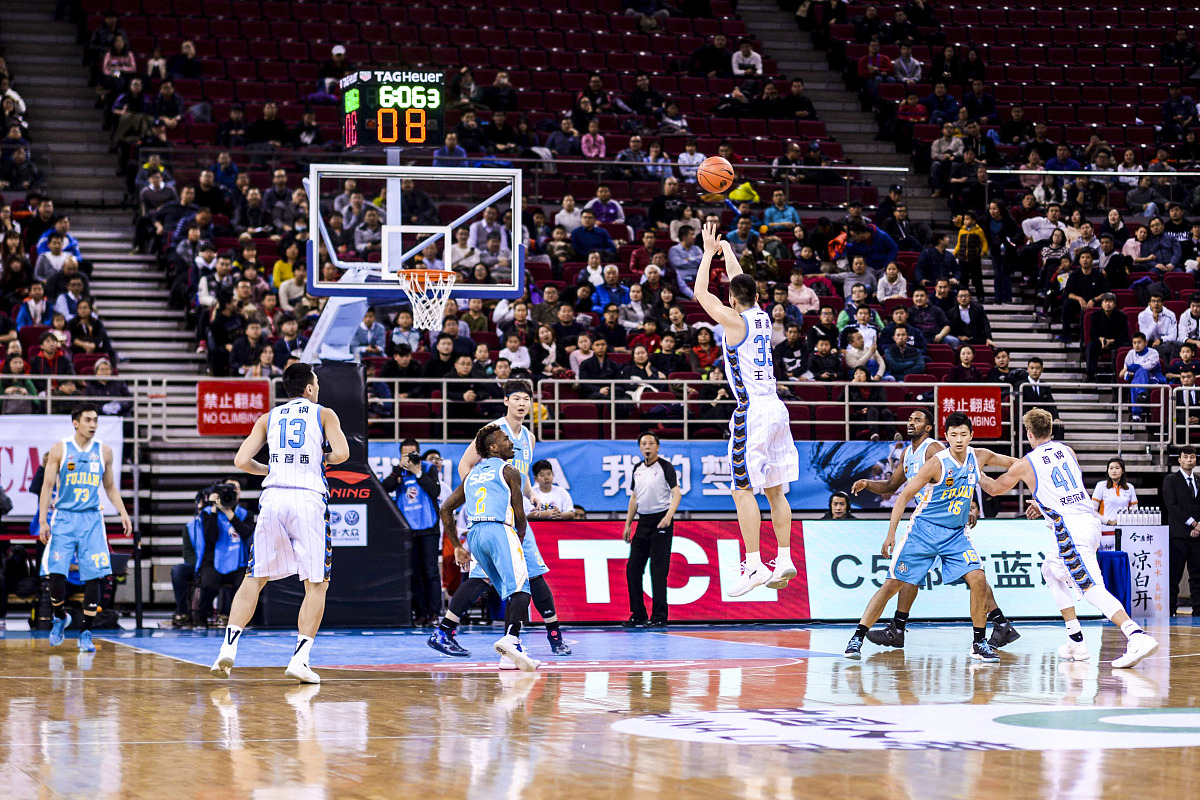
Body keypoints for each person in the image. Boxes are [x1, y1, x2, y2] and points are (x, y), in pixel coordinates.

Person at [980, 409, 1160, 668]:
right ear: (1051, 430)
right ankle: (1075, 640)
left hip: (1071, 530)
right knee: (1050, 571)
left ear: (1028, 433)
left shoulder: (1026, 463)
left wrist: (974, 472)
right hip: (1088, 521)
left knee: (1091, 588)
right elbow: (1066, 489)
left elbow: (994, 489)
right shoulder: (1067, 450)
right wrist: (1043, 506)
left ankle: (1135, 635)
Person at [209, 363, 351, 684]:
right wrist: (319, 458)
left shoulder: (268, 417)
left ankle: (227, 646)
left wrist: (271, 469)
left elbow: (241, 461)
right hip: (307, 498)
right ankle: (300, 659)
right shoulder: (323, 413)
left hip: (272, 498)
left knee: (254, 576)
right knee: (316, 584)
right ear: (310, 389)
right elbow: (342, 453)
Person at [843, 413, 1019, 662]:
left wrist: (1038, 465)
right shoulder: (936, 462)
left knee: (978, 577)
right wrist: (891, 533)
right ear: (946, 437)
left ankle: (979, 642)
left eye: (963, 434)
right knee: (893, 584)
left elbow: (1018, 464)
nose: (959, 440)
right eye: (954, 435)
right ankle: (857, 637)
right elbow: (902, 496)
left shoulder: (978, 456)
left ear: (971, 436)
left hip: (956, 534)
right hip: (924, 530)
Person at [429, 381, 572, 663]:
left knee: (494, 576)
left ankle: (450, 632)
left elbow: (522, 475)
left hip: (495, 518)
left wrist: (530, 496)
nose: (521, 403)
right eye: (516, 398)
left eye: (526, 399)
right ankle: (535, 638)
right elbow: (464, 466)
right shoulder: (493, 433)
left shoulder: (528, 438)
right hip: (499, 519)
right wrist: (485, 494)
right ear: (505, 401)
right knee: (529, 577)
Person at [694, 221, 799, 594]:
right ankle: (784, 559)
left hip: (752, 410)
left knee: (742, 490)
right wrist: (729, 250)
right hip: (776, 407)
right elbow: (741, 282)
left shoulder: (734, 321)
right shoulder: (762, 314)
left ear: (733, 301)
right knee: (775, 491)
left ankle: (753, 564)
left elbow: (701, 293)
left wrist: (709, 253)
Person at [437, 425, 539, 672]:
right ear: (493, 447)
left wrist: (459, 546)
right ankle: (511, 639)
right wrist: (520, 536)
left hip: (476, 535)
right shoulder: (509, 470)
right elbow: (519, 511)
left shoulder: (472, 475)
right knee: (521, 587)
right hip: (499, 530)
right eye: (506, 439)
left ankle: (509, 656)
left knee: (497, 586)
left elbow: (445, 509)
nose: (511, 443)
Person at [38, 404, 133, 651]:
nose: (93, 425)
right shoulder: (60, 448)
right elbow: (47, 487)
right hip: (64, 517)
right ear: (75, 422)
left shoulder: (104, 451)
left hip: (92, 519)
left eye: (96, 421)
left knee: (95, 576)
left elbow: (110, 487)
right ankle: (60, 617)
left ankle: (86, 632)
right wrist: (42, 520)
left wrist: (123, 512)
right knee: (56, 573)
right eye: (88, 420)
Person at [621, 431, 682, 627]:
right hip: (643, 522)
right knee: (633, 569)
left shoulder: (665, 467)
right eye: (643, 444)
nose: (647, 447)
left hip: (661, 521)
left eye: (650, 444)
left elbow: (677, 494)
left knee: (658, 570)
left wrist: (668, 517)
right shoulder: (637, 469)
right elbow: (634, 498)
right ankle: (638, 614)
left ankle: (659, 616)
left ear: (657, 447)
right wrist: (628, 524)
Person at [382, 438, 442, 627]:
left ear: (418, 453)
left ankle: (434, 613)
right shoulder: (398, 471)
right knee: (415, 574)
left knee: (431, 572)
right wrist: (396, 472)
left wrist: (417, 473)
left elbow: (435, 491)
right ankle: (420, 613)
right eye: (405, 455)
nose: (409, 458)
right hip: (408, 530)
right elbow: (384, 490)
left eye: (412, 454)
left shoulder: (428, 468)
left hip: (428, 527)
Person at [184, 479, 253, 628]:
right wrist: (215, 508)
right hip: (213, 561)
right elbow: (210, 537)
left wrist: (229, 513)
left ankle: (240, 620)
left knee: (246, 585)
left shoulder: (245, 513)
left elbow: (246, 533)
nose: (230, 492)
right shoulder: (208, 513)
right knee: (209, 584)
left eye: (235, 489)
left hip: (238, 562)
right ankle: (201, 619)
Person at [1163, 445, 1200, 615]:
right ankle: (1171, 609)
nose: (1189, 460)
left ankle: (1198, 609)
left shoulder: (1199, 480)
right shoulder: (1170, 480)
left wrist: (1199, 525)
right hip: (1178, 535)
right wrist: (1193, 523)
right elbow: (1172, 506)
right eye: (1185, 457)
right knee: (1174, 575)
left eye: (1192, 457)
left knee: (1197, 575)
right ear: (1179, 460)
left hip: (1198, 536)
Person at [1092, 457, 1137, 539]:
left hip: (1125, 529)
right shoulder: (1101, 486)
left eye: (1117, 468)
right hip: (1104, 529)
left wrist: (1123, 520)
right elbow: (1093, 511)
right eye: (1111, 468)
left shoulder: (1130, 487)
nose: (1114, 471)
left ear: (1122, 471)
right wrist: (1109, 522)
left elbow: (1134, 509)